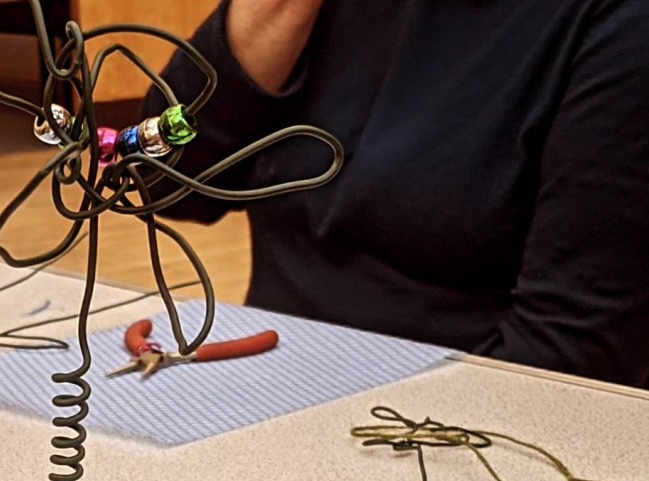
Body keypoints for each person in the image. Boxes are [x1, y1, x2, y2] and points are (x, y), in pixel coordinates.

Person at [145, 0, 649, 386]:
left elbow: (570, 361)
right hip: (266, 382)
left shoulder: (620, 25)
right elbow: (161, 181)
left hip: (450, 434)